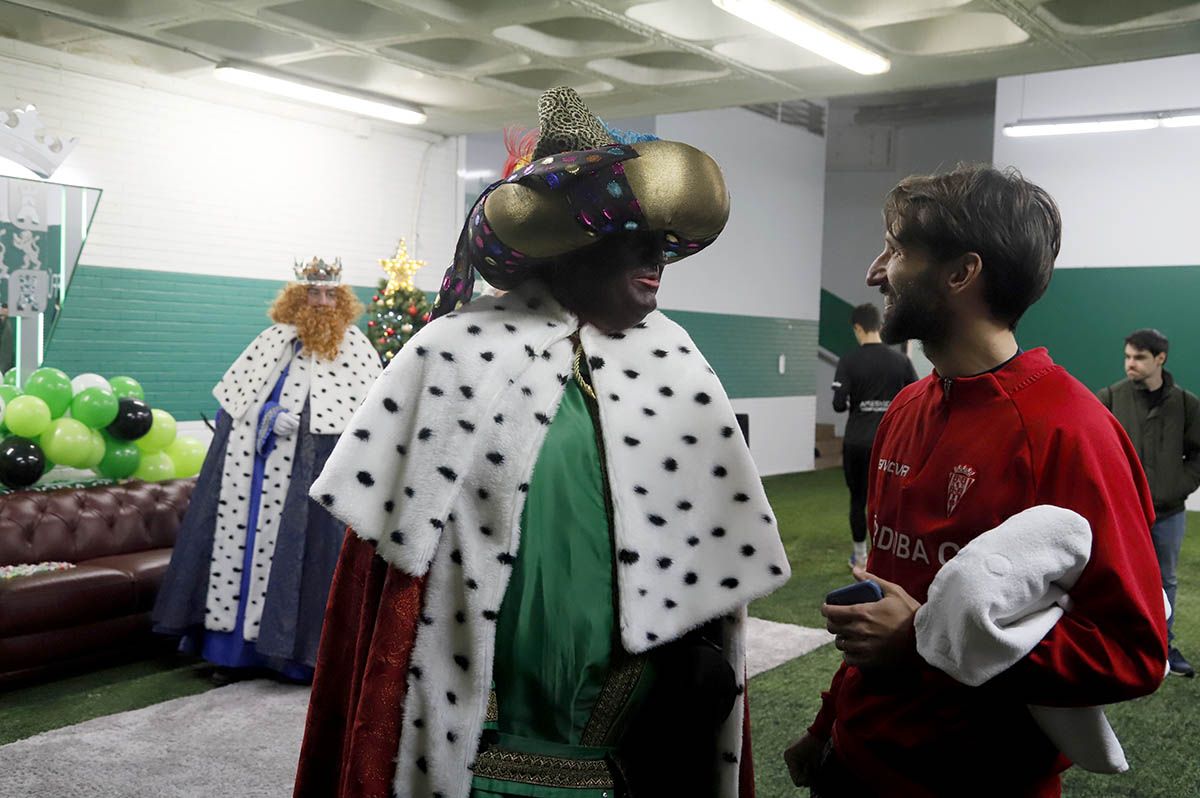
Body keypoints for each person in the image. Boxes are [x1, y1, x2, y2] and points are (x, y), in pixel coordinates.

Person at [293, 86, 791, 798]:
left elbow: (713, 585)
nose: (656, 255)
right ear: (568, 242)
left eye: (661, 238)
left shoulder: (678, 364)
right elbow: (380, 601)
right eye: (630, 233)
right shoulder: (452, 355)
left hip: (639, 757)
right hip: (476, 757)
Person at [784, 164, 1168, 797]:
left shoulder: (1073, 433)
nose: (876, 271)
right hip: (856, 759)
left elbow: (1132, 654)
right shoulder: (909, 406)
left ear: (962, 273)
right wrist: (828, 724)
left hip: (978, 779)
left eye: (898, 251)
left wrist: (924, 642)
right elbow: (891, 594)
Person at [152, 259, 381, 683]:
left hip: (312, 488)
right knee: (242, 555)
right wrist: (269, 416)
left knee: (303, 560)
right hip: (255, 479)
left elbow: (368, 421)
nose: (323, 301)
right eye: (314, 293)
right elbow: (232, 411)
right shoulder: (270, 342)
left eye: (331, 294)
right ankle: (234, 655)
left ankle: (294, 658)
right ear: (299, 297)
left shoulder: (357, 349)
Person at [1098, 328, 1200, 678]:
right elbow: (1092, 450)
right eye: (1128, 356)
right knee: (1117, 578)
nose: (1131, 364)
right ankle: (1122, 646)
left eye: (1139, 357)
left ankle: (1164, 646)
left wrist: (1179, 485)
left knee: (1165, 579)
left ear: (1160, 359)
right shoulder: (1109, 398)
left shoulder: (1186, 404)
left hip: (1169, 512)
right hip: (1123, 513)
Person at [832, 303, 916, 568]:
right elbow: (917, 398)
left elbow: (837, 403)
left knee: (858, 499)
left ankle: (860, 555)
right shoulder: (901, 361)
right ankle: (887, 557)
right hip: (890, 443)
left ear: (857, 328)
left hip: (856, 442)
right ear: (880, 325)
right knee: (889, 502)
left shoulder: (848, 360)